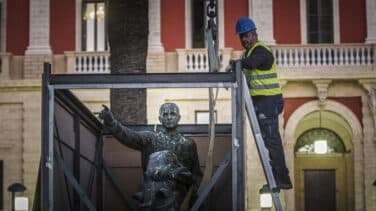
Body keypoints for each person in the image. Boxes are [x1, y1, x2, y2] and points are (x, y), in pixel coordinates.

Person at [99, 102, 202, 207]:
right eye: (165, 114)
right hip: (154, 197)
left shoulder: (188, 144)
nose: (169, 117)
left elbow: (196, 174)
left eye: (173, 114)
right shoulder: (150, 139)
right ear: (160, 119)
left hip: (180, 199)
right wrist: (112, 122)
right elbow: (129, 136)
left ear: (178, 118)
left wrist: (194, 192)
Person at [235, 17, 292, 190]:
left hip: (268, 100)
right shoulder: (249, 52)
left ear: (254, 34)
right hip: (262, 101)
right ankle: (276, 177)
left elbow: (252, 64)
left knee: (272, 140)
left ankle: (283, 178)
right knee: (268, 141)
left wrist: (236, 64)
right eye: (241, 37)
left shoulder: (261, 51)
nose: (244, 39)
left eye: (246, 36)